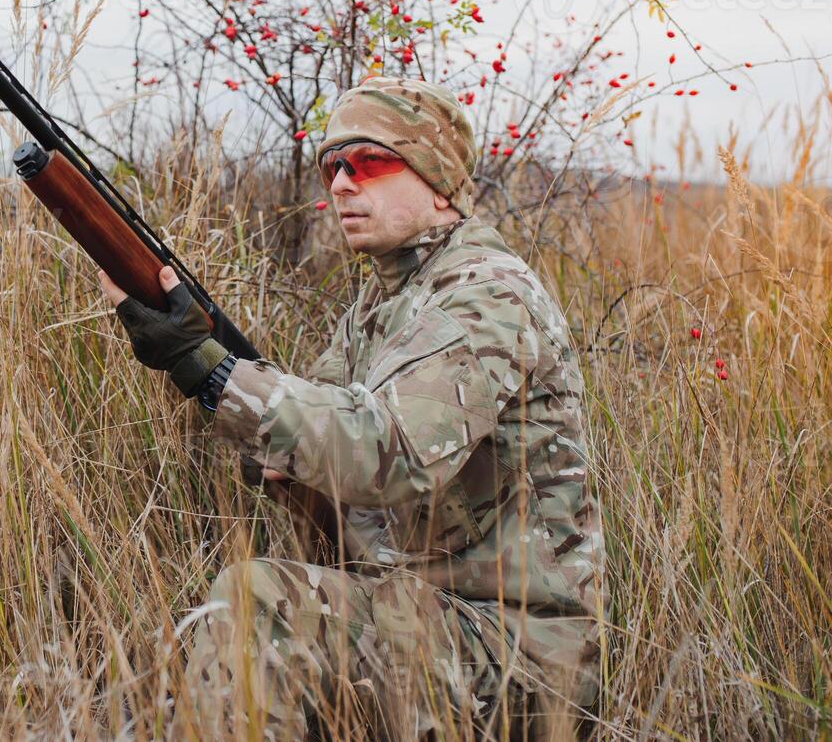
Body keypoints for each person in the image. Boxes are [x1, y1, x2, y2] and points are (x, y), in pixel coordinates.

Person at [97, 76, 605, 739]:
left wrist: (208, 367)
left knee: (261, 604)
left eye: (365, 162)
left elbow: (380, 453)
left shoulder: (484, 297)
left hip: (516, 661)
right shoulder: (382, 303)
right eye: (331, 165)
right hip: (423, 619)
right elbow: (307, 442)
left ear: (434, 178)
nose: (339, 184)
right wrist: (219, 386)